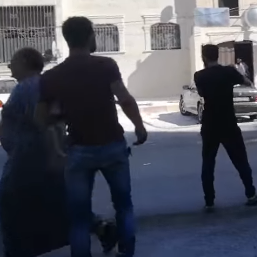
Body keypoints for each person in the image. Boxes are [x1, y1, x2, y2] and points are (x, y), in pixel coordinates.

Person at [36, 16, 147, 257]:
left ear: (67, 39)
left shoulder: (51, 77)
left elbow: (42, 119)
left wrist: (62, 115)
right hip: (112, 146)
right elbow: (124, 98)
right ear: (90, 36)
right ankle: (126, 252)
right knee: (124, 205)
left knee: (78, 216)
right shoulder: (105, 65)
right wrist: (139, 127)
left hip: (78, 149)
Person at [0, 48, 117, 257]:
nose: (9, 65)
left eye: (13, 61)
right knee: (58, 202)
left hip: (30, 160)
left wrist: (54, 154)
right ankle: (101, 228)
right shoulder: (39, 85)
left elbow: (49, 125)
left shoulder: (28, 88)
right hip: (37, 157)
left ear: (26, 62)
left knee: (10, 204)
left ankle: (15, 251)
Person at [194, 44, 257, 211]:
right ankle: (251, 194)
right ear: (218, 55)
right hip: (228, 122)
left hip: (209, 123)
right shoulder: (229, 72)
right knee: (240, 160)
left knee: (208, 163)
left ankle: (209, 202)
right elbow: (247, 81)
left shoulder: (199, 76)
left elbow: (202, 93)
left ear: (204, 57)